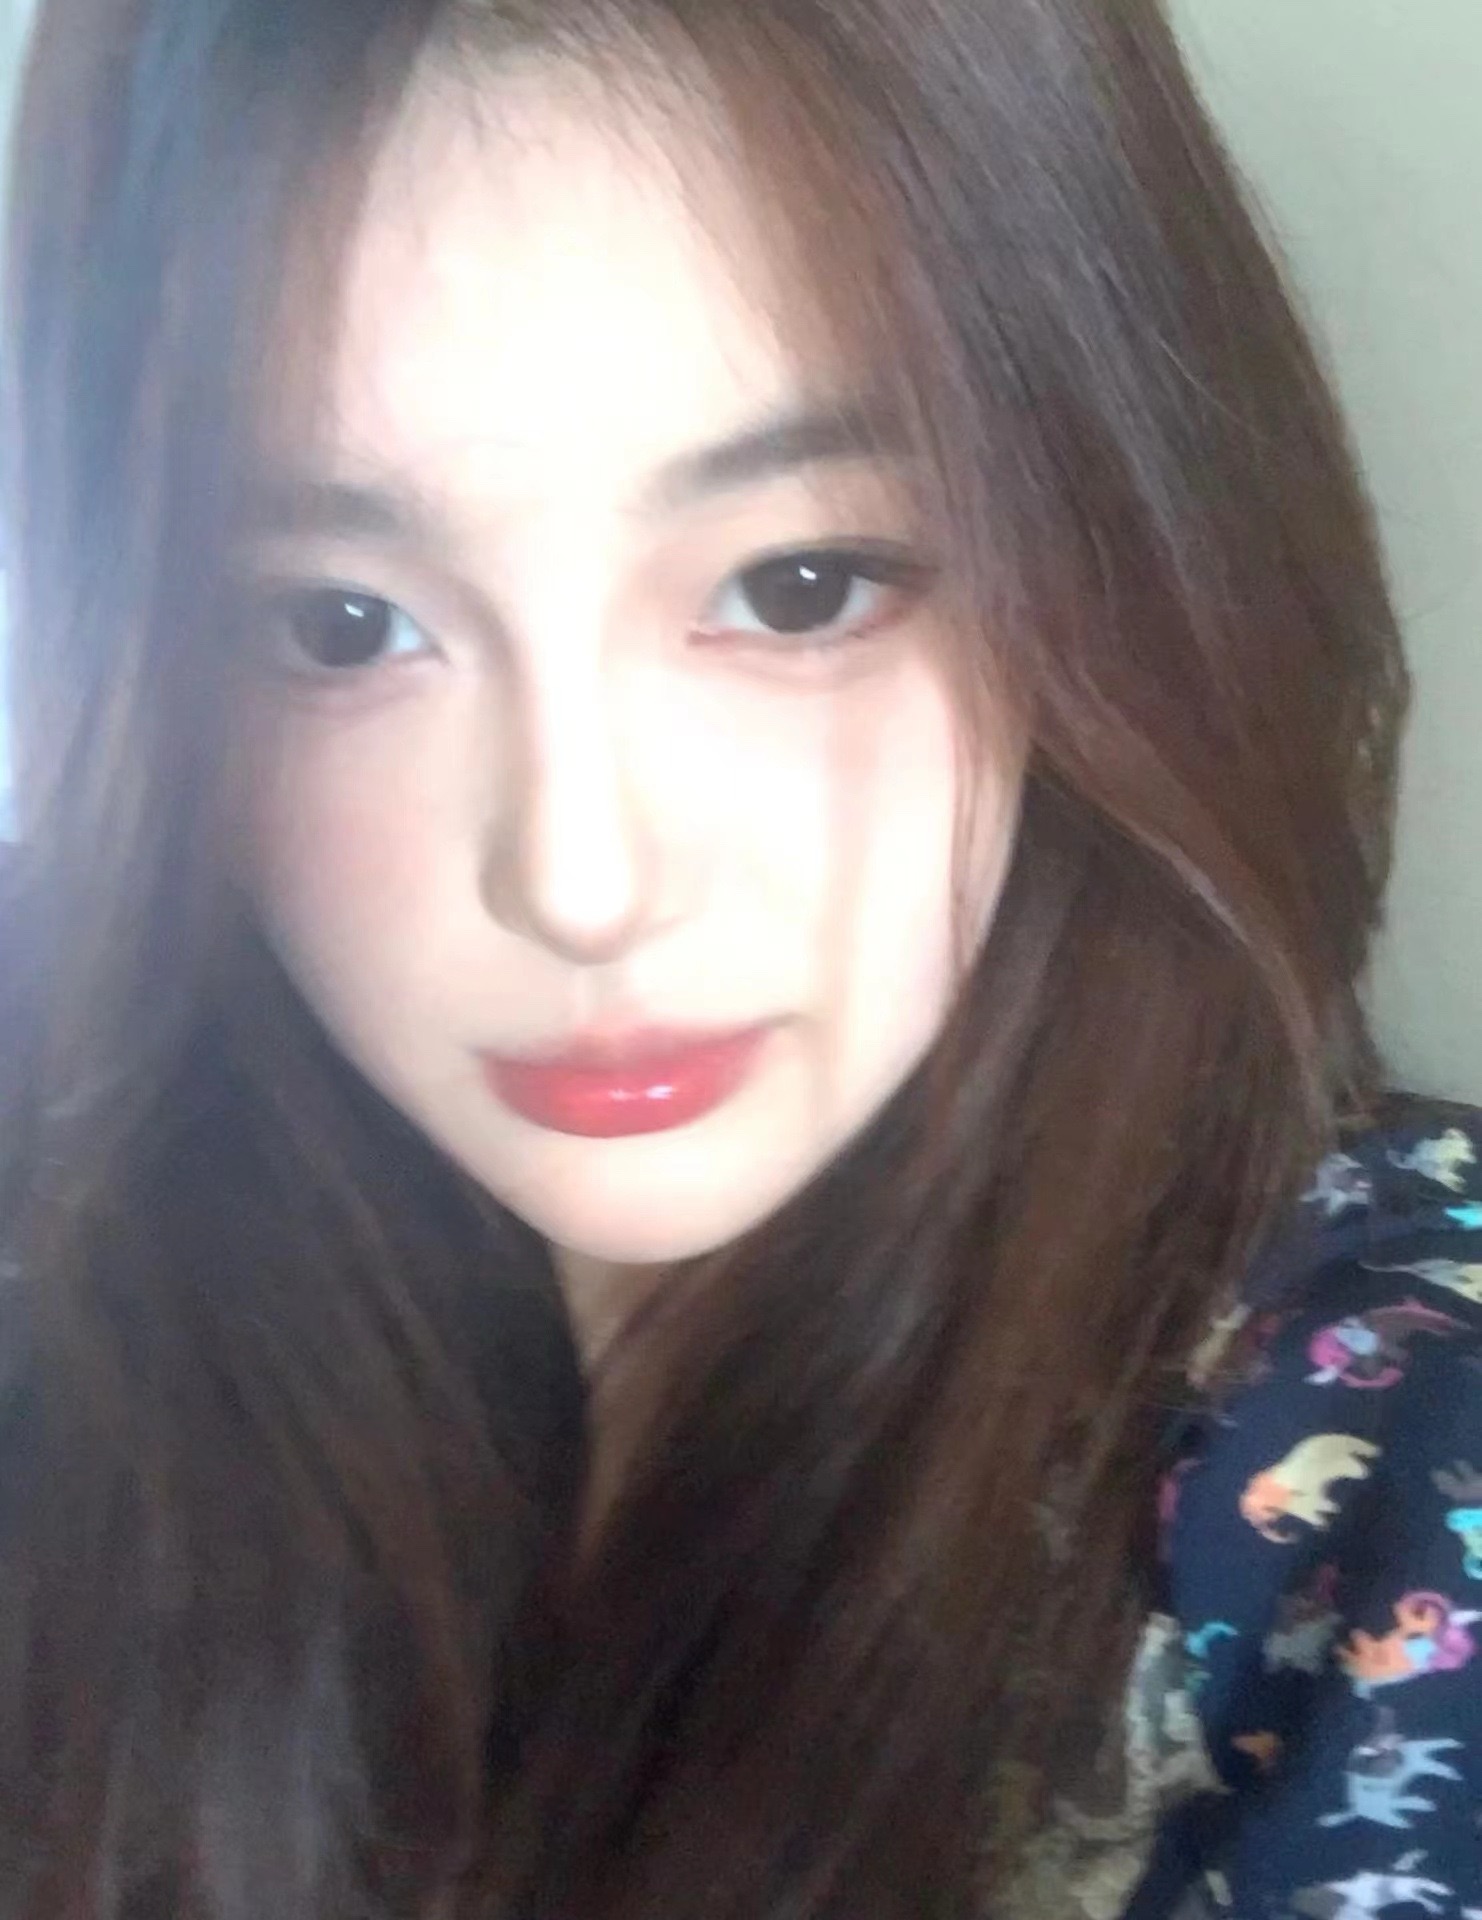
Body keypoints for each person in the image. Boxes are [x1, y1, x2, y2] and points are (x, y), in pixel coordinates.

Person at [0, 0, 1477, 1915]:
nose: (580, 884)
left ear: (1113, 563)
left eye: (799, 586)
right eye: (336, 625)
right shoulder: (91, 1281)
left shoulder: (1394, 1447)